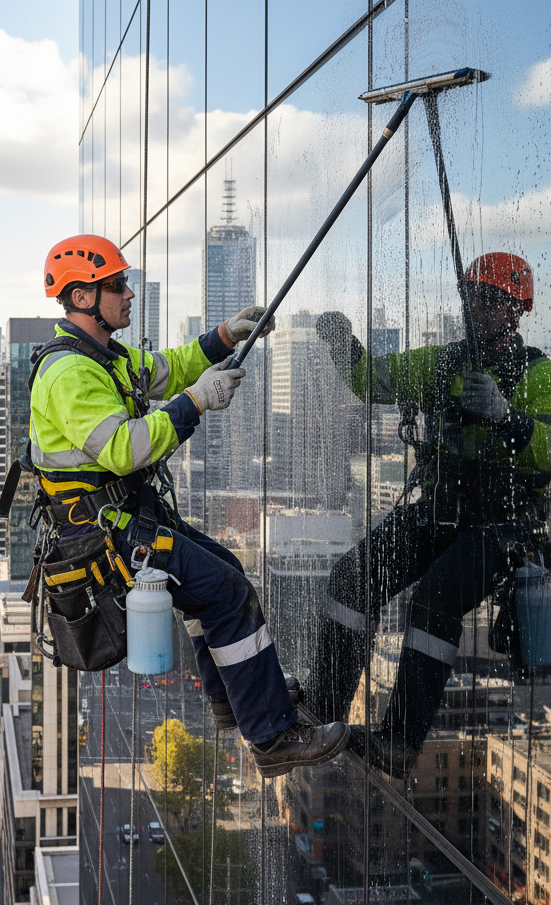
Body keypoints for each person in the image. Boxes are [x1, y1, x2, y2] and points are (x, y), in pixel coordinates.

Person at [30, 234, 349, 777]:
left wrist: (224, 335)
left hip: (123, 518)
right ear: (82, 297)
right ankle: (272, 737)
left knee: (223, 568)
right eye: (116, 285)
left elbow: (168, 368)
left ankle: (236, 696)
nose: (129, 293)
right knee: (226, 591)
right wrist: (196, 401)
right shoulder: (70, 374)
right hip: (106, 535)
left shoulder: (102, 358)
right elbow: (126, 449)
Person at [303, 252, 551, 777]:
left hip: (503, 525)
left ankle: (399, 740)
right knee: (353, 576)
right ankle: (322, 708)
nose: (477, 308)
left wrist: (507, 418)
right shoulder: (443, 363)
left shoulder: (542, 376)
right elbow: (374, 381)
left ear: (517, 309)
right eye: (472, 297)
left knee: (436, 598)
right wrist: (344, 344)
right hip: (442, 510)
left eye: (491, 300)